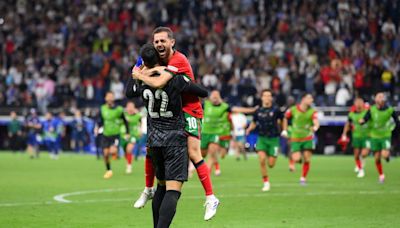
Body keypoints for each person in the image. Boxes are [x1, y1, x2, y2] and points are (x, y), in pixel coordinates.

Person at [131, 27, 219, 220]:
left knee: (194, 152)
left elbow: (159, 82)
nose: (159, 44)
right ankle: (148, 188)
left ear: (172, 42)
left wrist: (142, 75)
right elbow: (136, 70)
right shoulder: (156, 59)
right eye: (156, 42)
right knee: (150, 148)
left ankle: (211, 197)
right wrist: (143, 69)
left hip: (189, 110)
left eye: (163, 41)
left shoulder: (178, 59)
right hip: (170, 114)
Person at [246, 89, 284, 191]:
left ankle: (270, 153)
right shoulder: (258, 111)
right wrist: (249, 129)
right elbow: (254, 122)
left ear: (271, 98)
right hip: (262, 138)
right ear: (262, 97)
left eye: (269, 95)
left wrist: (284, 130)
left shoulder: (276, 109)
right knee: (262, 160)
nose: (267, 97)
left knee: (271, 164)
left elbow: (283, 119)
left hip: (274, 139)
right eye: (265, 95)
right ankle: (266, 182)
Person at [359, 92, 399, 183]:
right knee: (377, 158)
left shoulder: (390, 110)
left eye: (381, 97)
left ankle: (388, 156)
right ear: (375, 99)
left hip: (385, 135)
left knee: (384, 155)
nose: (380, 98)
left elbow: (396, 120)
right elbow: (366, 118)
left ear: (384, 99)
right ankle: (381, 175)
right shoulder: (372, 109)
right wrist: (362, 121)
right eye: (378, 97)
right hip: (374, 136)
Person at [282, 93, 319, 185]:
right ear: (303, 99)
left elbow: (316, 122)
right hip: (295, 137)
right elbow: (285, 118)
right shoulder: (293, 109)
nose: (311, 100)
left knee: (307, 159)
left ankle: (303, 178)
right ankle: (292, 161)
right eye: (309, 98)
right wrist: (285, 130)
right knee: (297, 158)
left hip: (307, 137)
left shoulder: (312, 111)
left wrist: (315, 127)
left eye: (312, 98)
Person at [98, 91, 130, 179]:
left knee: (112, 151)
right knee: (105, 154)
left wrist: (127, 132)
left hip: (115, 135)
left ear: (113, 98)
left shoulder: (119, 109)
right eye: (108, 96)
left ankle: (117, 154)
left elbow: (125, 121)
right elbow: (100, 120)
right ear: (105, 98)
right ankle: (109, 170)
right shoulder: (102, 108)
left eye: (111, 96)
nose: (110, 98)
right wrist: (97, 127)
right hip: (105, 134)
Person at [341, 98, 370, 178]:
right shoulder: (351, 114)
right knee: (356, 155)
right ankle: (361, 169)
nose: (358, 104)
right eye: (357, 102)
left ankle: (361, 165)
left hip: (367, 136)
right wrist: (344, 134)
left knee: (364, 154)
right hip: (356, 136)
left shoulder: (367, 113)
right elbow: (348, 124)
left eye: (360, 102)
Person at [119, 101, 142, 174]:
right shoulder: (123, 115)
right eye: (129, 106)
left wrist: (141, 131)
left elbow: (140, 123)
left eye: (132, 106)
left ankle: (129, 166)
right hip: (124, 135)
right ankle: (128, 161)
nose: (130, 108)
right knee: (125, 151)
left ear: (134, 107)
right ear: (126, 107)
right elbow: (119, 123)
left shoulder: (138, 115)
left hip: (133, 135)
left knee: (129, 149)